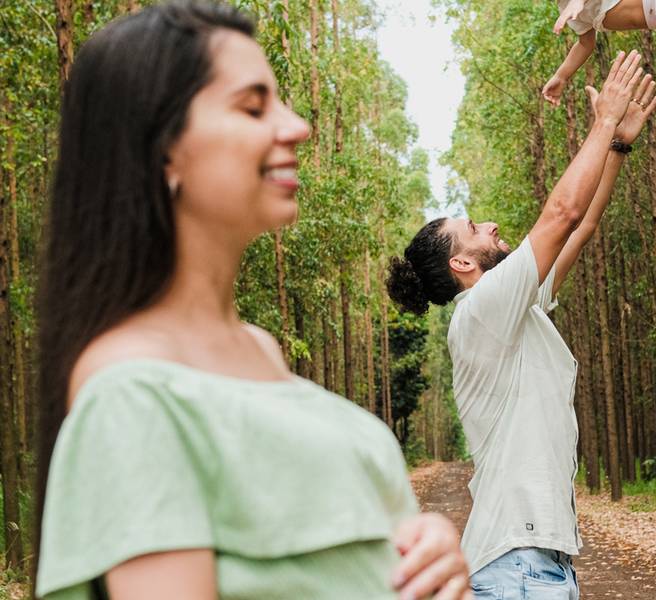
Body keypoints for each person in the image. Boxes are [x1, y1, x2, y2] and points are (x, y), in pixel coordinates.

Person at [33, 2, 470, 599]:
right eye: (253, 106)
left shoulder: (259, 351)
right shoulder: (130, 394)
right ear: (162, 148)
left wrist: (422, 553)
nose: (297, 126)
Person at [387, 50, 656, 599]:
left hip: (534, 561)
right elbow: (559, 215)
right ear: (462, 264)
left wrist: (618, 146)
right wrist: (602, 121)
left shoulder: (511, 307)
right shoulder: (483, 308)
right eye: (473, 228)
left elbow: (578, 228)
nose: (489, 225)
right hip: (518, 567)